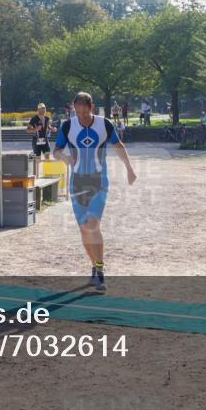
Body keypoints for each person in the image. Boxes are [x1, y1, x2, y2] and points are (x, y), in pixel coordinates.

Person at [54, 92, 137, 292]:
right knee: (84, 228)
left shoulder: (104, 124)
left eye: (84, 112)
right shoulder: (67, 126)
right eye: (77, 112)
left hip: (98, 181)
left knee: (92, 224)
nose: (81, 116)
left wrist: (130, 169)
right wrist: (64, 158)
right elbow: (56, 150)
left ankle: (100, 272)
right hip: (77, 183)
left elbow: (118, 145)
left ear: (92, 108)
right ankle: (93, 266)